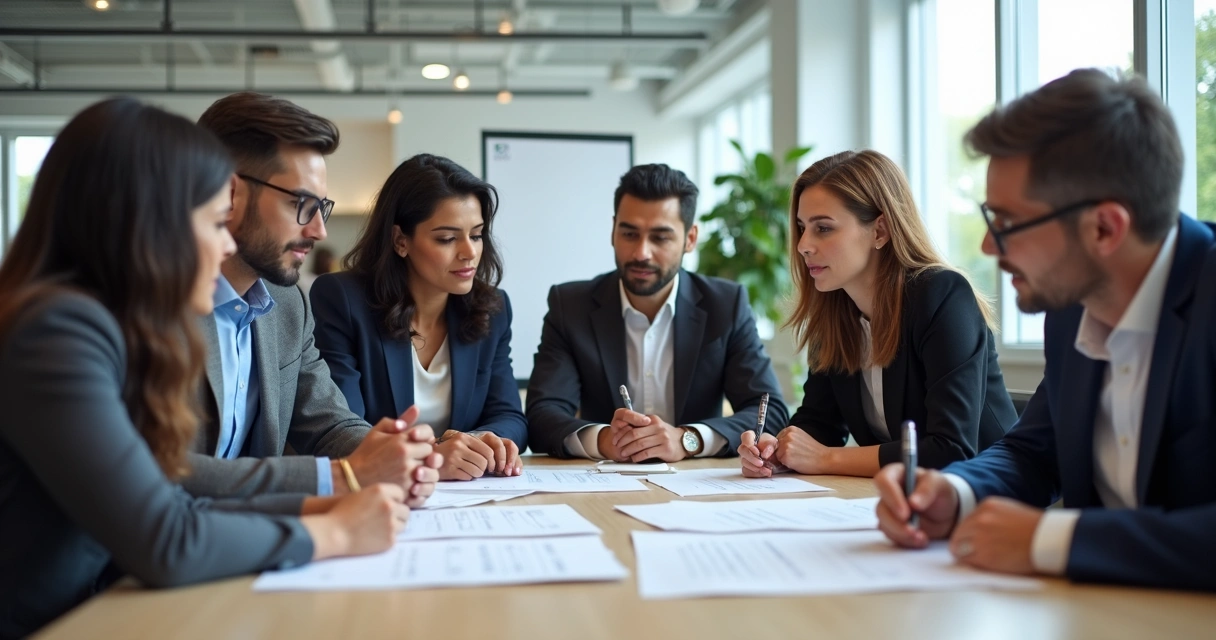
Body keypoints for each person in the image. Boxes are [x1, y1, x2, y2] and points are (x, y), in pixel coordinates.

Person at [0, 98, 411, 639]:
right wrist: (336, 530)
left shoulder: (97, 322)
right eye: (216, 222)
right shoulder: (56, 333)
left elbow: (175, 500)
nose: (224, 245)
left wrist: (331, 503)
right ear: (150, 223)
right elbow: (167, 534)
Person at [874, 69, 1216, 591]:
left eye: (1006, 222)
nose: (987, 246)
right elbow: (1032, 451)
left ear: (1104, 228)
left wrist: (1055, 540)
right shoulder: (1073, 306)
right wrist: (954, 493)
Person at [190, 92, 441, 501]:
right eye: (302, 204)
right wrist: (344, 477)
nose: (319, 231)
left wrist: (392, 455)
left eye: (321, 207)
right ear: (229, 193)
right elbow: (156, 471)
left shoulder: (287, 304)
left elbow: (329, 424)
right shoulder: (148, 303)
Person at [738, 150, 1016, 478]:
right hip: (897, 495)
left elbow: (950, 450)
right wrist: (777, 450)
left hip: (990, 492)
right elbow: (820, 422)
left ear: (880, 231)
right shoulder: (836, 312)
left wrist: (825, 459)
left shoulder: (943, 295)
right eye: (801, 227)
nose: (803, 245)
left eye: (823, 228)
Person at [527, 163, 788, 461]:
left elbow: (770, 412)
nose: (641, 253)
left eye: (660, 237)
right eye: (629, 234)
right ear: (613, 230)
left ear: (690, 239)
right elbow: (541, 415)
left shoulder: (726, 305)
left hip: (695, 481)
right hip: (605, 480)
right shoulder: (571, 306)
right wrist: (603, 439)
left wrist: (688, 439)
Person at [311, 154, 527, 480]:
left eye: (477, 235)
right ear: (401, 240)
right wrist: (434, 455)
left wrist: (476, 443)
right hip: (376, 491)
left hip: (469, 494)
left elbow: (510, 416)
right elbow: (340, 427)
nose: (469, 252)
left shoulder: (492, 307)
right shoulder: (342, 299)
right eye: (447, 238)